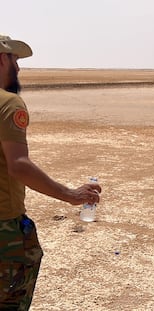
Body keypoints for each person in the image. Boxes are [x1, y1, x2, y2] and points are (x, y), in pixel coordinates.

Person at [0, 34, 102, 310]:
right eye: (15, 60)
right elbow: (18, 164)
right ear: (1, 60)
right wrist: (70, 194)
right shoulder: (8, 103)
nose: (19, 69)